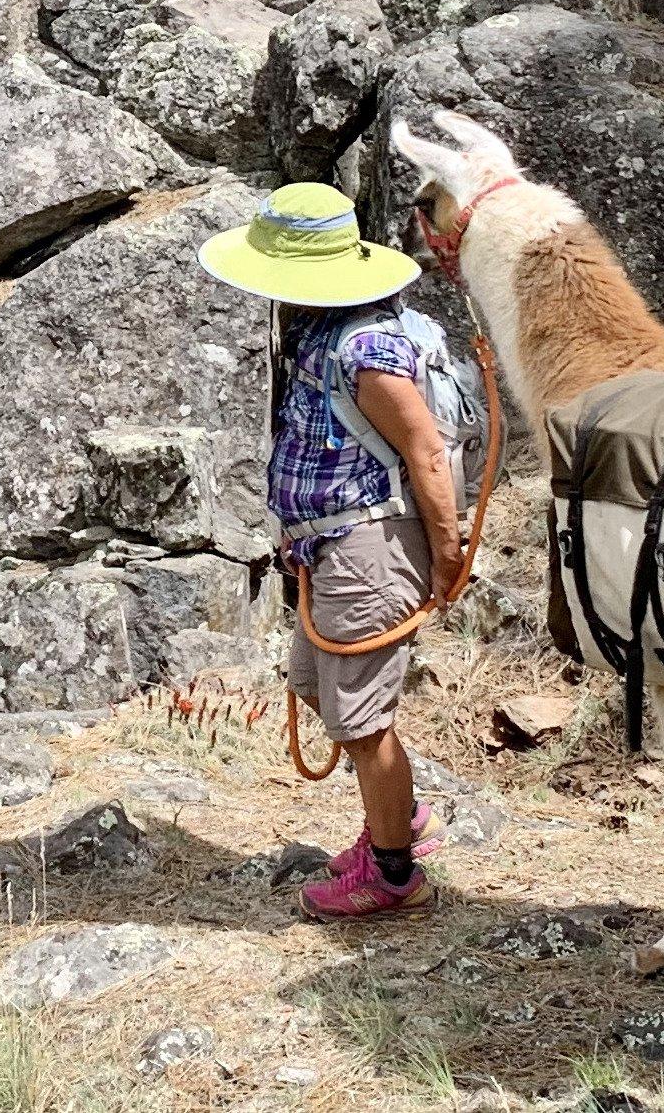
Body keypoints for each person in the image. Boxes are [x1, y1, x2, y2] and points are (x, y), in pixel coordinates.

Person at [198, 181, 471, 917]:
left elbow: (425, 453)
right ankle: (401, 818)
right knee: (318, 687)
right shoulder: (324, 326)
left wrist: (448, 556)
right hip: (329, 547)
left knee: (361, 719)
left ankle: (391, 873)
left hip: (367, 544)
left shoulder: (365, 347)